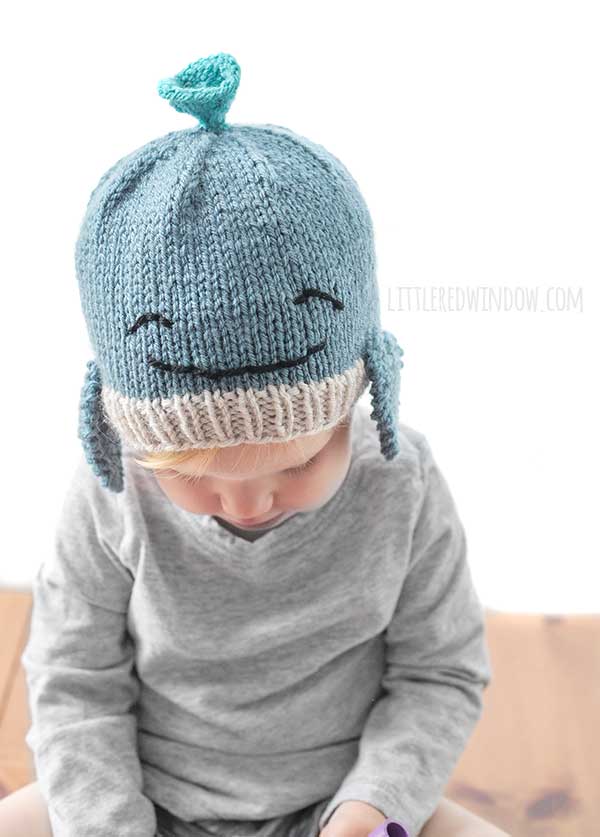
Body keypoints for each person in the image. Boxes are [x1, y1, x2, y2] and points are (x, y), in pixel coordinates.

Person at [1, 53, 509, 837]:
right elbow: (74, 682)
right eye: (199, 477)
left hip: (338, 802)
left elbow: (438, 672)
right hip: (147, 798)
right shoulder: (109, 487)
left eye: (300, 461)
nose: (247, 502)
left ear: (361, 394)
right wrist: (110, 824)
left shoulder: (402, 479)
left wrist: (369, 811)